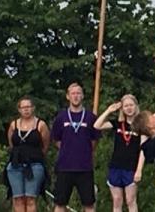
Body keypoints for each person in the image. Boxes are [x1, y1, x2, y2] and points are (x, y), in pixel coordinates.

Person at [51, 82, 101, 212]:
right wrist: (68, 150)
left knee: (89, 203)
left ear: (83, 96)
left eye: (78, 93)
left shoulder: (90, 117)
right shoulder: (61, 117)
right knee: (60, 203)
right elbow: (56, 140)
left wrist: (83, 151)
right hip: (65, 166)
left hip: (84, 167)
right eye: (73, 93)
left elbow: (94, 140)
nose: (76, 96)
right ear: (68, 96)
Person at [94, 94, 145, 212]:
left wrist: (139, 169)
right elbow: (97, 125)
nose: (129, 108)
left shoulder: (141, 126)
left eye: (131, 105)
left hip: (131, 167)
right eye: (126, 106)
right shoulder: (117, 123)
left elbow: (143, 149)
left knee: (131, 200)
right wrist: (109, 110)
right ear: (122, 108)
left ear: (136, 106)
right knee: (117, 200)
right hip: (116, 166)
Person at [6, 96, 50, 212]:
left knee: (30, 198)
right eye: (23, 107)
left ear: (33, 108)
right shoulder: (13, 125)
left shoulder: (41, 125)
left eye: (28, 107)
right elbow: (11, 143)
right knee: (18, 198)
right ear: (19, 109)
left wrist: (36, 156)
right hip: (15, 165)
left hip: (34, 165)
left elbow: (45, 145)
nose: (26, 109)